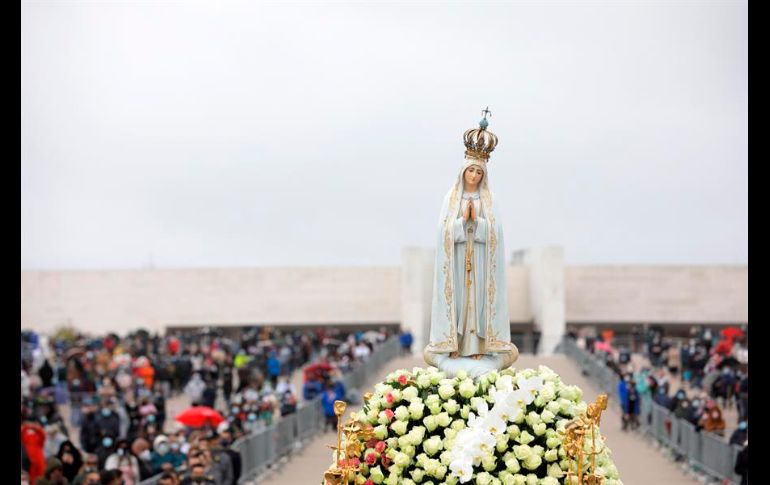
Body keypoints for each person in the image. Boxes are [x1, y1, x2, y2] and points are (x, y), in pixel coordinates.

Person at [424, 113, 518, 377]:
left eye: (479, 172)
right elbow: (443, 232)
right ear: (463, 171)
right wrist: (459, 224)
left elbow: (495, 233)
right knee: (460, 303)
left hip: (479, 260)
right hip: (457, 260)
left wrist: (477, 224)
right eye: (471, 170)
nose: (474, 175)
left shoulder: (489, 200)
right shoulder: (451, 198)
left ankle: (478, 346)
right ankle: (454, 345)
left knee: (477, 303)